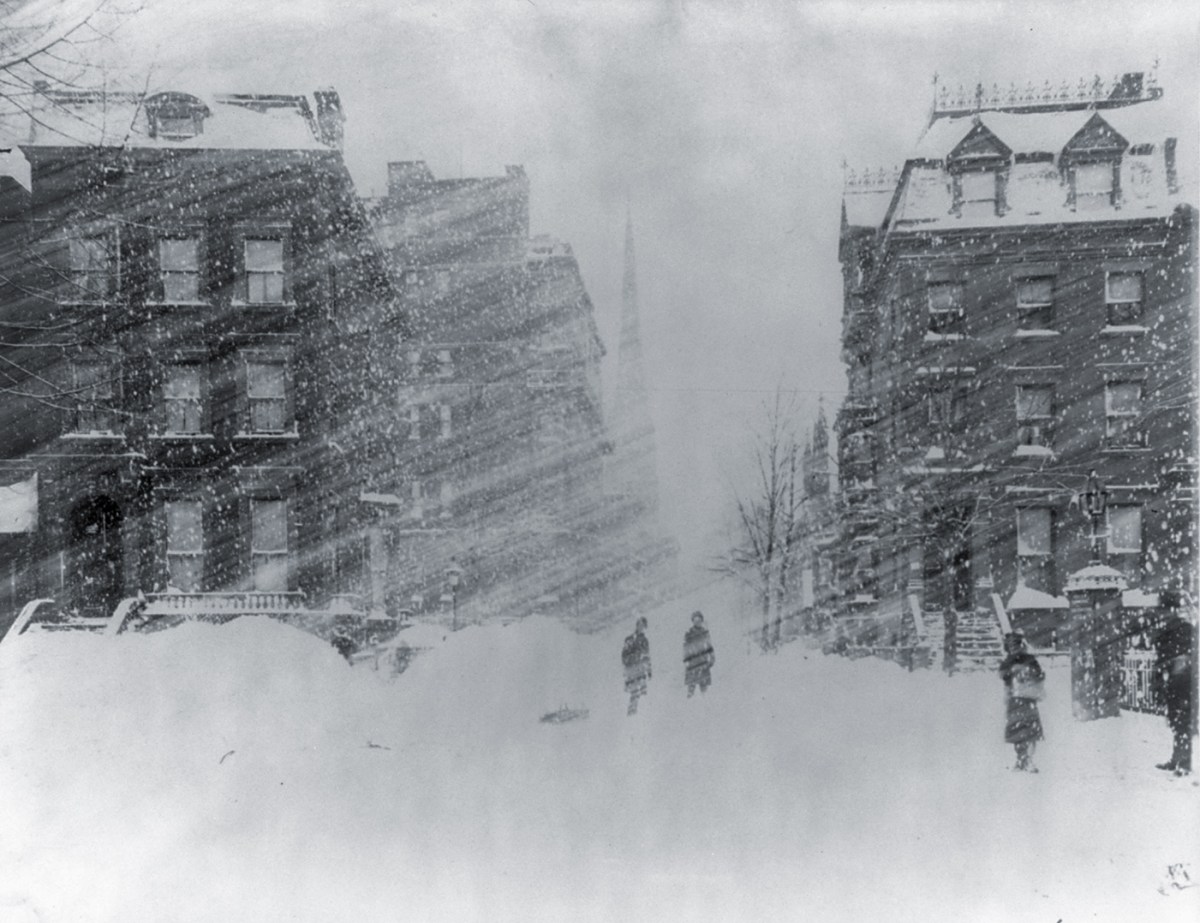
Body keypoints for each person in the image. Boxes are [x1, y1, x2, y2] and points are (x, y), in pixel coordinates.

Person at [1152, 588, 1197, 776]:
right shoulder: (1163, 632)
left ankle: (1184, 763)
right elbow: (1160, 660)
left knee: (1183, 722)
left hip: (1184, 683)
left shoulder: (1186, 629)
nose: (1163, 614)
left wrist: (1181, 664)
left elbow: (1192, 656)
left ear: (1173, 610)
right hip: (1171, 682)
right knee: (1175, 721)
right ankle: (1176, 758)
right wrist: (1158, 682)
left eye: (1165, 610)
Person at [999, 631, 1045, 772]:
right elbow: (1004, 677)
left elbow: (1039, 675)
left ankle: (1028, 759)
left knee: (1029, 731)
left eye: (1016, 645)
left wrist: (1027, 673)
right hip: (1016, 698)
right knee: (1018, 733)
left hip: (1027, 697)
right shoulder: (1008, 662)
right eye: (1011, 646)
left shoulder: (1029, 660)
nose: (1014, 649)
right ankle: (1021, 758)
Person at [622, 616, 652, 715]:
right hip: (632, 670)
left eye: (643, 626)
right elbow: (624, 656)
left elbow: (647, 656)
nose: (641, 628)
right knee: (634, 693)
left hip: (641, 671)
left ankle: (639, 716)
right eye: (640, 625)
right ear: (637, 625)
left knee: (643, 694)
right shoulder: (629, 639)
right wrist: (634, 658)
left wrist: (649, 670)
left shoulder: (645, 640)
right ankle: (631, 714)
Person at [683, 611, 716, 697]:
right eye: (695, 620)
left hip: (703, 662)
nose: (697, 622)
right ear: (693, 621)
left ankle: (704, 702)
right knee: (691, 687)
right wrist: (686, 660)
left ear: (701, 621)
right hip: (692, 663)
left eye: (699, 620)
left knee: (704, 688)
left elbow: (709, 646)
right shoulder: (689, 633)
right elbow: (685, 648)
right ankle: (689, 702)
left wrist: (712, 658)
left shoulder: (705, 633)